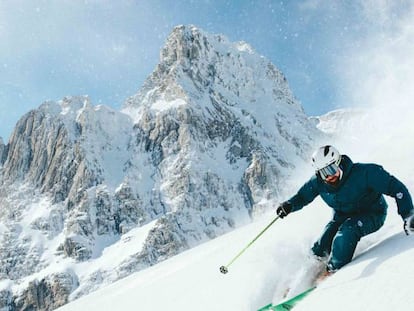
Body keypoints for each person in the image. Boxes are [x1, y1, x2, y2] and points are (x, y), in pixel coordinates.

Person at [276, 145, 414, 273]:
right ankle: (307, 274)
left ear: (339, 163)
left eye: (331, 169)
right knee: (322, 244)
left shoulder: (365, 173)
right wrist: (289, 205)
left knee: (347, 231)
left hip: (372, 213)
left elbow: (397, 189)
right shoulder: (318, 182)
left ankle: (332, 271)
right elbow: (302, 197)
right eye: (324, 173)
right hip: (341, 216)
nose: (330, 176)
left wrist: (408, 215)